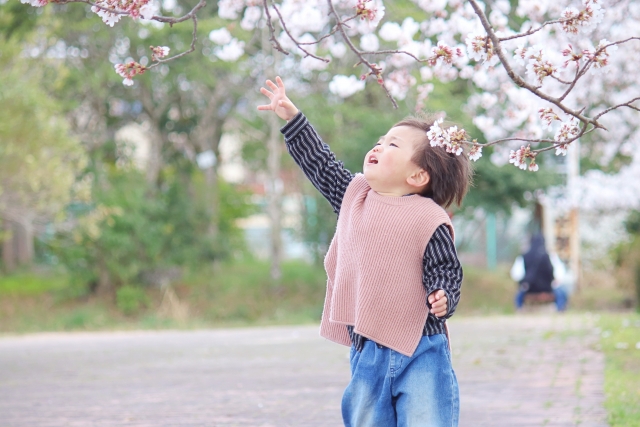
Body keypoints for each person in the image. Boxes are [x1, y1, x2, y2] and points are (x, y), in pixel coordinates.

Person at [258, 76, 471, 427]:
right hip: (366, 345)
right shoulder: (354, 195)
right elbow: (322, 166)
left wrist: (444, 295)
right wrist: (293, 118)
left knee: (427, 418)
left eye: (392, 145)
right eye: (380, 140)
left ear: (418, 176)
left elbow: (445, 267)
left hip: (421, 346)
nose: (378, 146)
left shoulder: (428, 217)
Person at [510, 233, 573, 311]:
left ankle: (519, 309)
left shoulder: (524, 256)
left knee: (519, 293)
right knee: (562, 291)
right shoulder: (550, 256)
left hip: (530, 288)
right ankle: (560, 309)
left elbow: (516, 275)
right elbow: (559, 274)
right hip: (548, 288)